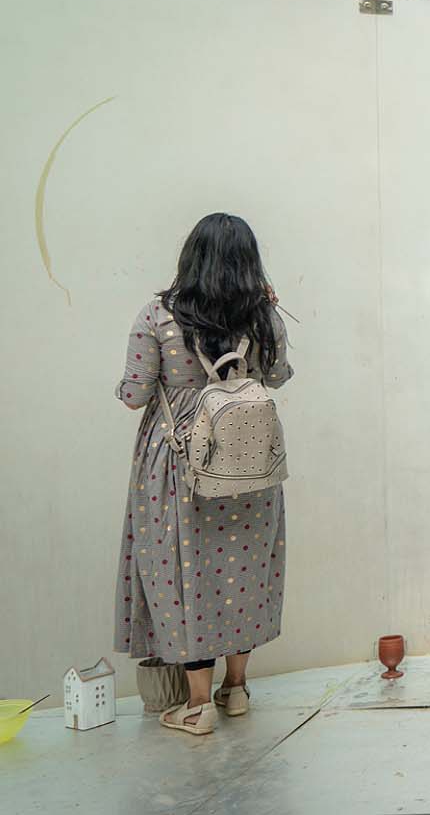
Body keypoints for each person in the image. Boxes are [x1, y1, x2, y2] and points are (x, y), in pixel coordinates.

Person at [116, 213, 293, 736]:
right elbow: (279, 377)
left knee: (183, 571)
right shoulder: (263, 317)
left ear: (190, 257)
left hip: (178, 463)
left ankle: (197, 706)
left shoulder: (157, 316)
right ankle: (236, 689)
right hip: (251, 462)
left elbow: (133, 396)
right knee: (243, 568)